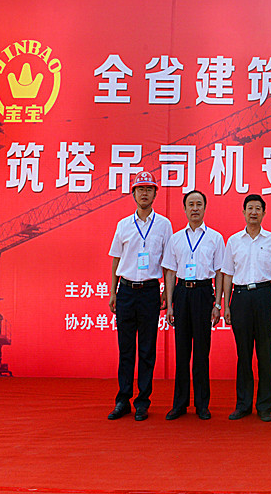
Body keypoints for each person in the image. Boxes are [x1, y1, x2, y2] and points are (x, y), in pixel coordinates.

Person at [106, 170, 173, 421]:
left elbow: (168, 263)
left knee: (147, 349)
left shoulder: (164, 225)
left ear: (155, 194)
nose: (144, 193)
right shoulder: (123, 224)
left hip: (150, 292)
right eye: (140, 189)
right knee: (126, 349)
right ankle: (122, 400)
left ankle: (143, 401)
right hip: (125, 291)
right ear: (133, 194)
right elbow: (116, 259)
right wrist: (113, 292)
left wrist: (167, 292)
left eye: (149, 189)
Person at [162, 190, 225, 421]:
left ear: (205, 208)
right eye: (191, 204)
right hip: (181, 293)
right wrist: (170, 304)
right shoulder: (176, 238)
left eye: (199, 204)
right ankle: (179, 404)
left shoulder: (215, 238)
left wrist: (217, 304)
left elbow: (220, 272)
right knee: (182, 352)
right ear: (185, 209)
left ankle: (202, 404)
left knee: (201, 351)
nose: (195, 208)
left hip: (203, 293)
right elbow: (170, 272)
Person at [222, 194, 271, 422]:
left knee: (265, 354)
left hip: (264, 296)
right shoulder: (234, 241)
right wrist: (226, 305)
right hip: (240, 298)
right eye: (250, 208)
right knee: (244, 354)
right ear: (243, 212)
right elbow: (228, 274)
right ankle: (243, 404)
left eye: (258, 208)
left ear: (264, 213)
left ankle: (265, 406)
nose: (254, 212)